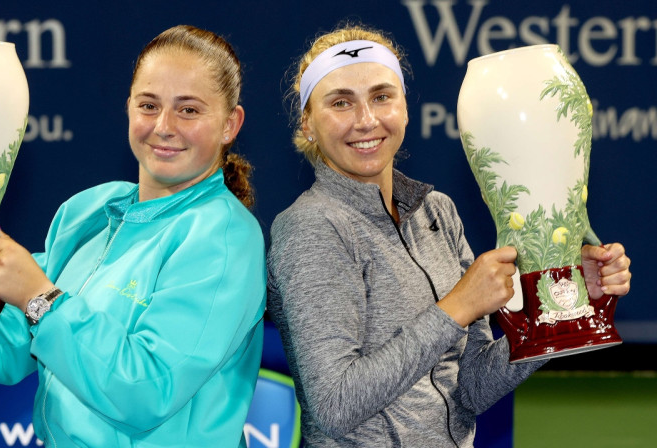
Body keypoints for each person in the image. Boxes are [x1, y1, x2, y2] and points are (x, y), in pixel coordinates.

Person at [0, 25, 266, 447]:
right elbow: (10, 346)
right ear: (128, 108)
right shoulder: (88, 212)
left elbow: (147, 391)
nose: (164, 126)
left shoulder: (224, 238)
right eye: (149, 105)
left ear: (230, 124)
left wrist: (41, 300)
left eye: (189, 110)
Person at [266, 23, 632, 447]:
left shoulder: (436, 211)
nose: (366, 120)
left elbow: (471, 387)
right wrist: (457, 307)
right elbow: (335, 405)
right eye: (341, 102)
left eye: (382, 97)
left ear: (404, 107)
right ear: (308, 124)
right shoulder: (310, 226)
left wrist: (563, 300)